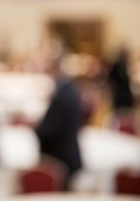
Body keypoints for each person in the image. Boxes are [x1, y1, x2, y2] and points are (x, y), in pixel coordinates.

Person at [35, 53, 83, 190]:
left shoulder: (61, 97)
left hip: (61, 159)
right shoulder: (71, 92)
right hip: (69, 155)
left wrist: (36, 128)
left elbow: (49, 129)